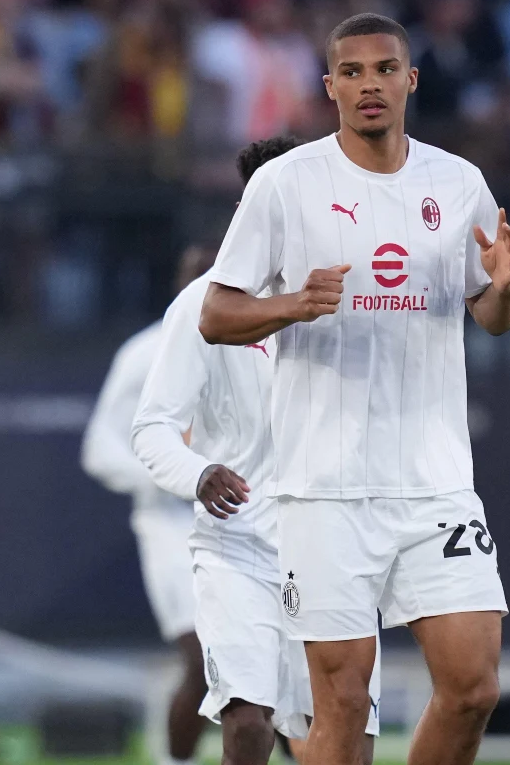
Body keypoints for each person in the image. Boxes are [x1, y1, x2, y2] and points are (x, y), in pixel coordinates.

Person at [199, 14, 510, 765]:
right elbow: (216, 314)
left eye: (384, 69)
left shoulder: (458, 183)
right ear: (330, 87)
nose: (369, 84)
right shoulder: (285, 184)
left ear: (411, 80)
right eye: (352, 72)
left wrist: (504, 289)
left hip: (435, 481)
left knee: (473, 687)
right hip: (325, 488)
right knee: (343, 706)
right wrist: (294, 304)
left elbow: (494, 316)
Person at [132, 136, 380, 765]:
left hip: (334, 548)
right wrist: (198, 472)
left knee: (346, 741)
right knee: (247, 725)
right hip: (237, 548)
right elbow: (153, 427)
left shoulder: (359, 295)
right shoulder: (202, 306)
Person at [81, 244, 219, 765]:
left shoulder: (262, 345)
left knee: (274, 666)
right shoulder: (146, 353)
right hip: (171, 525)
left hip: (248, 519)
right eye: (194, 278)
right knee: (204, 660)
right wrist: (176, 477)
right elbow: (101, 447)